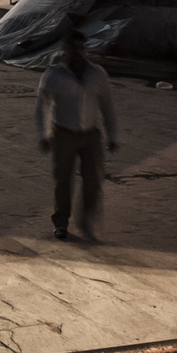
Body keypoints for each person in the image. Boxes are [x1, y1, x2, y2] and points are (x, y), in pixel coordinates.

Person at [34, 29, 119, 240]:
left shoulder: (97, 74)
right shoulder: (54, 74)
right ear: (65, 50)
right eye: (73, 48)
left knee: (93, 180)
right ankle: (61, 222)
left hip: (91, 135)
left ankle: (87, 220)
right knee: (62, 180)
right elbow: (42, 105)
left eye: (81, 48)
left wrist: (113, 136)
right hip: (63, 133)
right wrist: (43, 134)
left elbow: (107, 105)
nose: (78, 52)